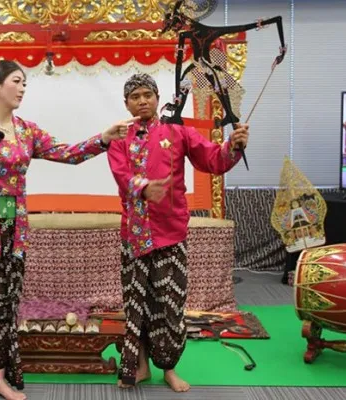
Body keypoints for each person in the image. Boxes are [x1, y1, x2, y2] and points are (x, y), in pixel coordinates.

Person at [0, 60, 135, 400]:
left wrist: (103, 139)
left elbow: (66, 153)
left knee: (6, 304)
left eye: (25, 84)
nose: (22, 89)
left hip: (13, 228)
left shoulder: (27, 130)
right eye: (16, 82)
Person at [106, 73, 249, 392]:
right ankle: (140, 366)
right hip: (135, 236)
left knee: (170, 305)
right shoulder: (118, 138)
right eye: (135, 96)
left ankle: (169, 369)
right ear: (126, 103)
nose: (142, 101)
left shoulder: (178, 131)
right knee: (136, 305)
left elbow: (212, 159)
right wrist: (145, 188)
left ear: (157, 98)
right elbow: (122, 176)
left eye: (148, 94)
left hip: (172, 234)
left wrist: (233, 146)